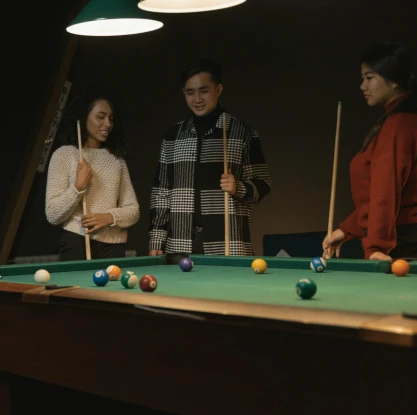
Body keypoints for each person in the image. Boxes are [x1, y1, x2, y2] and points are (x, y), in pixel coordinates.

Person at [148, 59, 272, 262]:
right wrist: (156, 239)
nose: (197, 99)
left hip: (228, 242)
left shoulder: (242, 133)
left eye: (204, 91)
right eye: (190, 92)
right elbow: (161, 192)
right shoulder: (172, 136)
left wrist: (238, 188)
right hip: (180, 243)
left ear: (219, 89)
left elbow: (263, 183)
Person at [323, 43, 417, 261]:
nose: (363, 86)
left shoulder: (398, 125)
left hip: (402, 243)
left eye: (369, 78)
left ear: (393, 80)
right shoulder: (408, 118)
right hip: (409, 238)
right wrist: (346, 229)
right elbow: (381, 197)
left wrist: (375, 247)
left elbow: (385, 193)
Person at [45, 89, 139, 261]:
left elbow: (133, 210)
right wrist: (78, 187)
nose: (108, 124)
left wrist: (108, 217)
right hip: (77, 241)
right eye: (101, 117)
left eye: (110, 118)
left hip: (113, 246)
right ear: (83, 118)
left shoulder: (116, 160)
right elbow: (52, 214)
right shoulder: (64, 155)